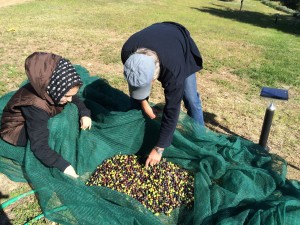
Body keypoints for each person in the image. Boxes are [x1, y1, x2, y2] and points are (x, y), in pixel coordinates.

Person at [121, 22, 204, 168]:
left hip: (178, 42)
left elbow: (173, 108)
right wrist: (144, 104)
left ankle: (201, 138)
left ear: (156, 75)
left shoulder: (174, 71)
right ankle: (134, 132)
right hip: (158, 40)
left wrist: (159, 148)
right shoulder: (128, 52)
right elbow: (135, 81)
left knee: (191, 98)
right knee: (135, 101)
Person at [0, 52, 92, 178]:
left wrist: (84, 113)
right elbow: (39, 145)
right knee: (57, 125)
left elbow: (75, 99)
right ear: (55, 89)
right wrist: (64, 166)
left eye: (71, 95)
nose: (70, 99)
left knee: (69, 110)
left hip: (38, 116)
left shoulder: (52, 88)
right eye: (67, 96)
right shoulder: (35, 106)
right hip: (16, 130)